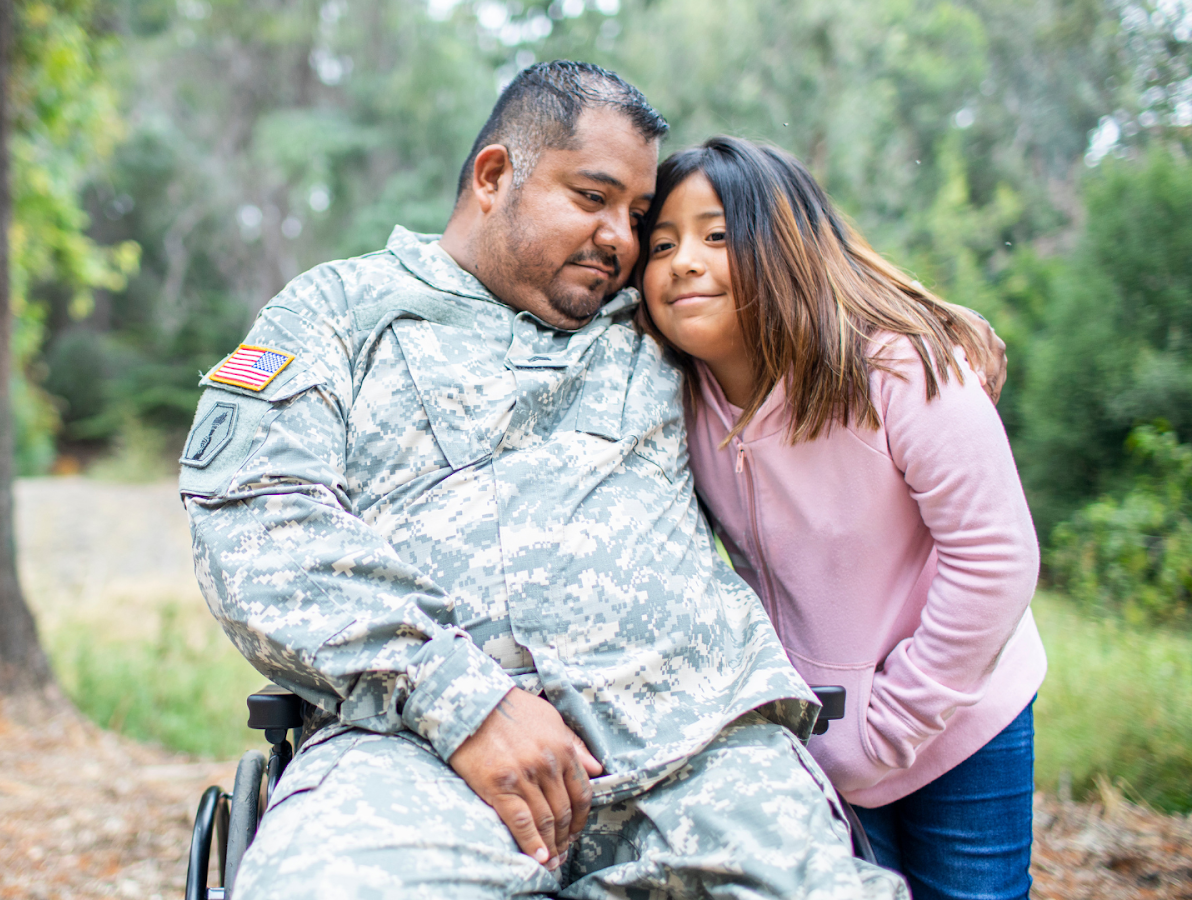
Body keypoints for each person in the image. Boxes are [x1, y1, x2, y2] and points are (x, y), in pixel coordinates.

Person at [181, 62, 906, 899]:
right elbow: (252, 517)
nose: (623, 239)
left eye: (638, 215)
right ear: (494, 176)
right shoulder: (337, 312)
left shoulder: (656, 316)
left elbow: (802, 290)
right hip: (418, 751)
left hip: (697, 751)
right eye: (591, 198)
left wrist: (939, 334)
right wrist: (456, 697)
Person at [637, 135, 1044, 900]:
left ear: (785, 245)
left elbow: (996, 557)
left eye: (718, 235)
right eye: (662, 243)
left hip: (960, 710)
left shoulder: (900, 368)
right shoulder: (670, 395)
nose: (685, 260)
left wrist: (890, 727)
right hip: (822, 731)